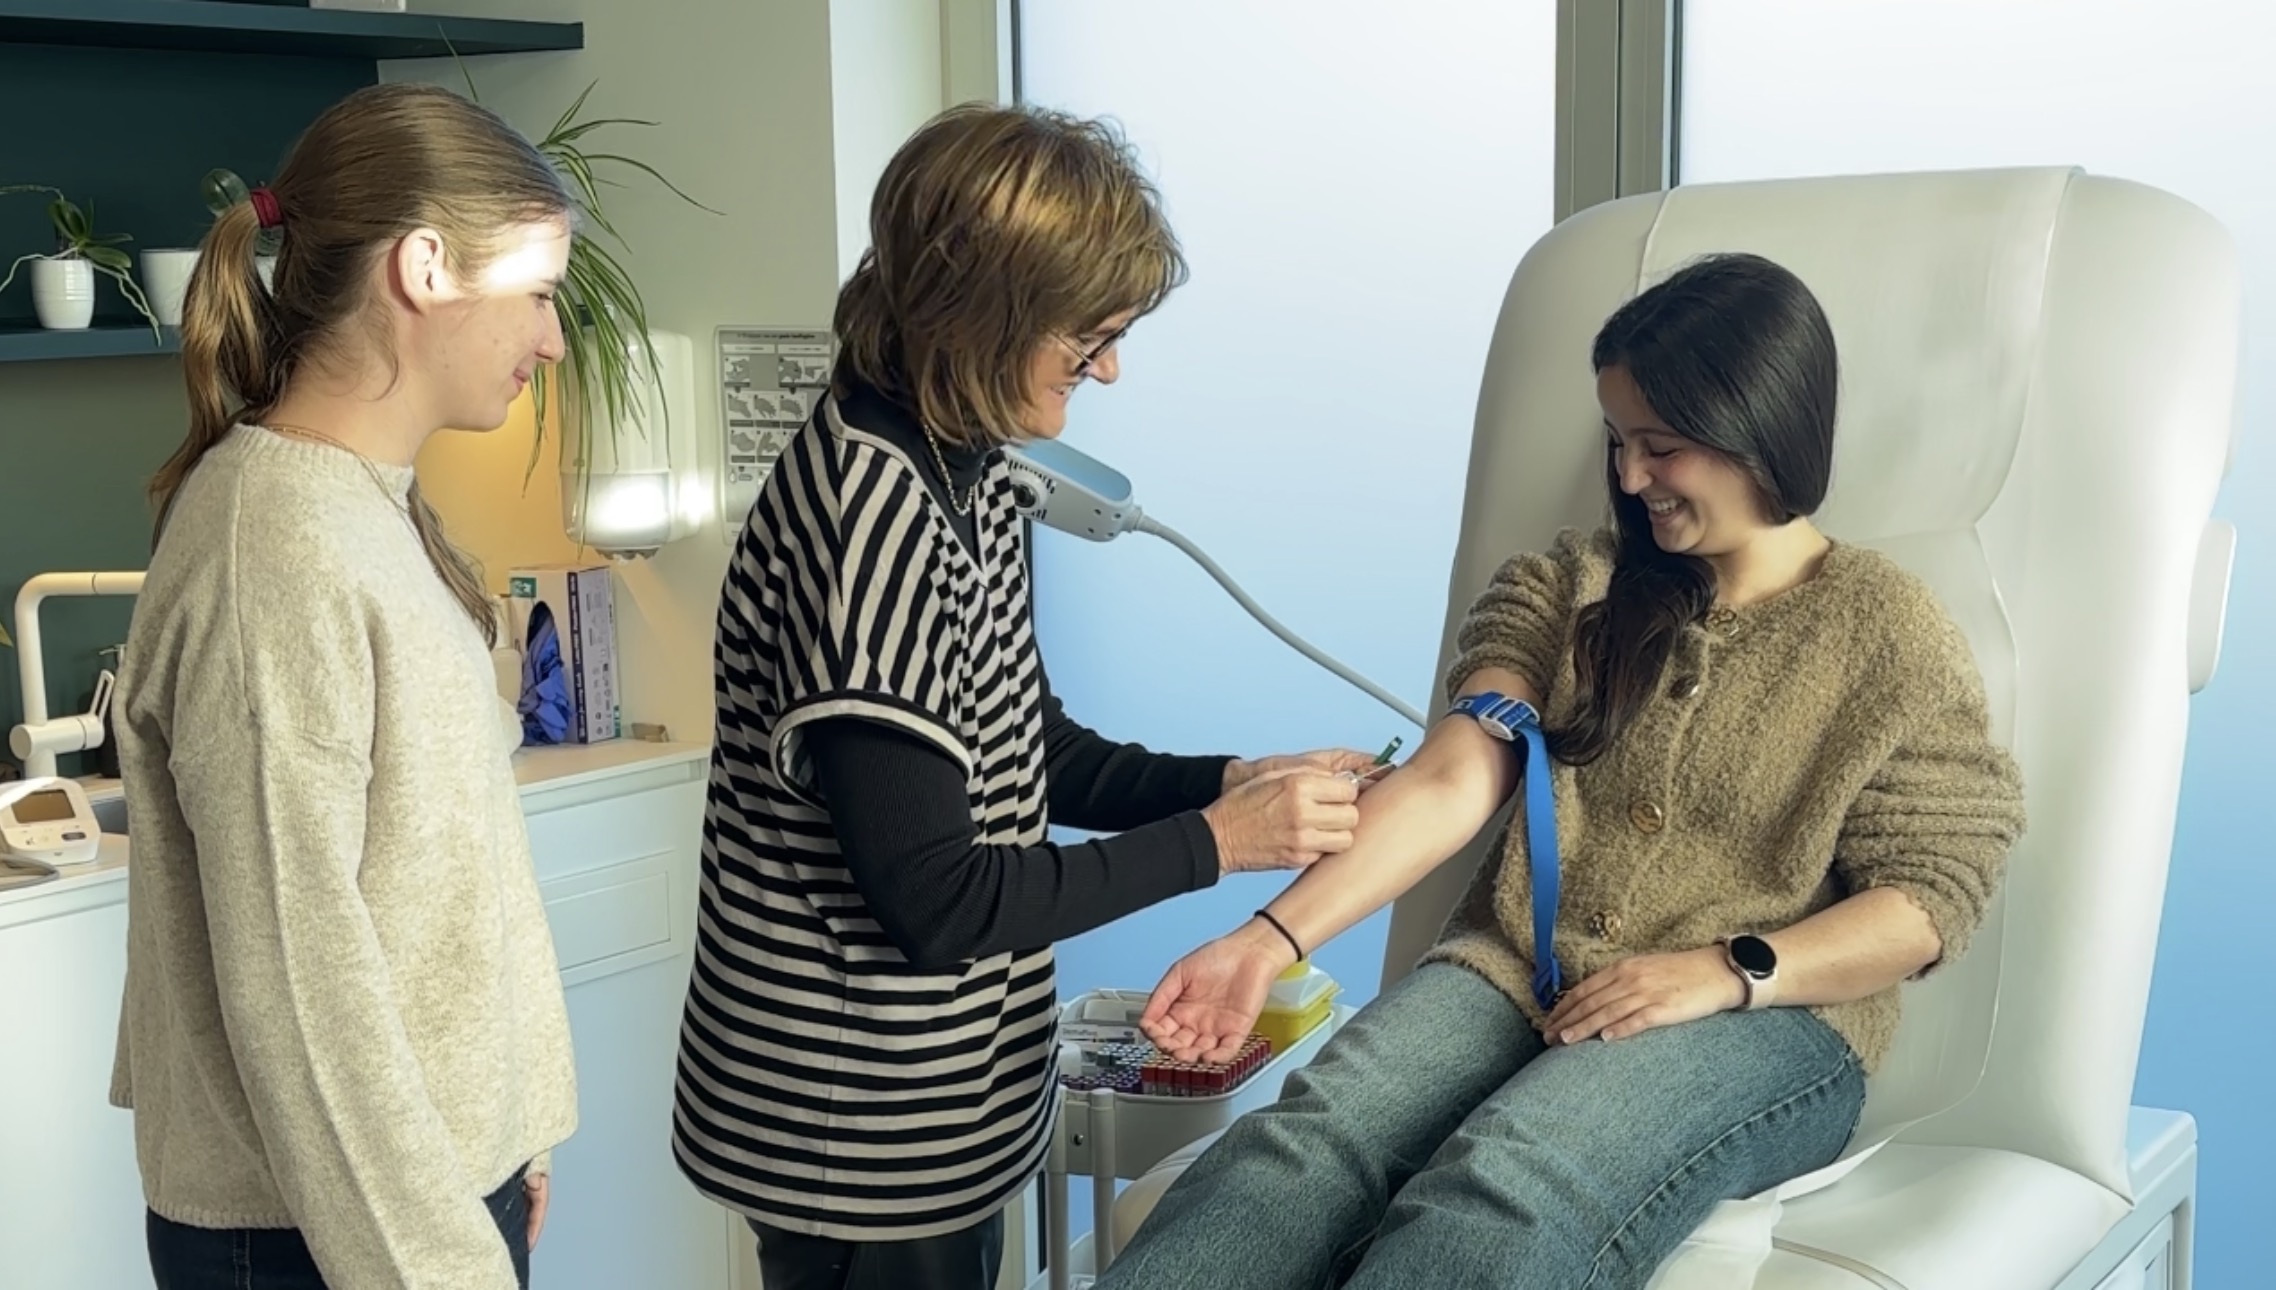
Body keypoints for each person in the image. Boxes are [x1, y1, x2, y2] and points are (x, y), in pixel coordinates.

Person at [1098, 252, 2029, 1290]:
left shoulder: (1888, 635)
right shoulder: (1566, 585)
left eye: (1659, 447)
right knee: (1300, 1145)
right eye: (1617, 443)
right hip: (1514, 969)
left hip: (1762, 1023)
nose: (1629, 478)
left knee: (1504, 1185)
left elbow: (1927, 900)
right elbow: (1453, 781)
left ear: (1759, 428)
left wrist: (1727, 970)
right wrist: (1260, 945)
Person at [670, 102, 1374, 1290]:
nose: (1106, 367)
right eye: (1085, 336)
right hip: (857, 1135)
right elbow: (936, 900)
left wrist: (1227, 782)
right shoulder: (868, 521)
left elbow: (1022, 741)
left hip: (948, 1109)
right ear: (979, 314)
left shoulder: (971, 468)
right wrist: (1215, 843)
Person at [113, 82, 579, 1290]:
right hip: (321, 1235)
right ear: (428, 267)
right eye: (538, 295)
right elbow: (299, 983)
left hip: (405, 1197)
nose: (552, 340)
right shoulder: (270, 545)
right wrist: (439, 1263)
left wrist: (506, 1124)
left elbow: (437, 871)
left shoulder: (364, 508)